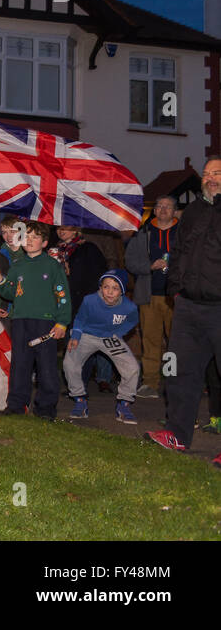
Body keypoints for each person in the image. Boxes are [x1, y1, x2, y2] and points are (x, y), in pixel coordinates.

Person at [145, 156, 221, 469]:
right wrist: (175, 287)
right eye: (206, 174)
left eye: (217, 173)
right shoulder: (193, 211)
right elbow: (177, 253)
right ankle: (176, 434)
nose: (209, 178)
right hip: (189, 306)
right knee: (178, 372)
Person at [0, 221, 71, 418]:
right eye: (27, 236)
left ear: (44, 243)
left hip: (45, 323)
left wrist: (62, 322)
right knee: (20, 364)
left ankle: (45, 408)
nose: (30, 240)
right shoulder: (18, 265)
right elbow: (9, 292)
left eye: (35, 237)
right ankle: (16, 404)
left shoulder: (52, 266)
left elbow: (63, 296)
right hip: (20, 321)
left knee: (46, 367)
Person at [65, 269, 140, 424]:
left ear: (122, 292)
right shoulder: (90, 300)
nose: (109, 292)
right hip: (87, 334)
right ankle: (80, 400)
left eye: (115, 288)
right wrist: (76, 336)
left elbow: (132, 321)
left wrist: (119, 332)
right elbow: (80, 318)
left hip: (110, 337)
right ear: (100, 287)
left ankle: (124, 404)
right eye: (106, 287)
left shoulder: (129, 307)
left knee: (132, 367)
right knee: (70, 363)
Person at [123, 196, 179, 398]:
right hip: (150, 295)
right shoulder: (143, 234)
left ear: (175, 211)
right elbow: (129, 261)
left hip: (177, 297)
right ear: (154, 210)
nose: (163, 209)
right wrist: (149, 267)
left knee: (177, 342)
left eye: (168, 206)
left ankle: (175, 382)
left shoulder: (185, 233)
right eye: (160, 206)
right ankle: (150, 383)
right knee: (150, 341)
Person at [53, 224, 110, 390]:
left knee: (80, 343)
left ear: (76, 230)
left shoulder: (88, 248)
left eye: (67, 228)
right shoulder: (55, 250)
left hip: (83, 303)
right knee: (67, 343)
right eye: (59, 228)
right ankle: (71, 383)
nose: (61, 231)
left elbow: (98, 275)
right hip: (62, 302)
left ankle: (80, 384)